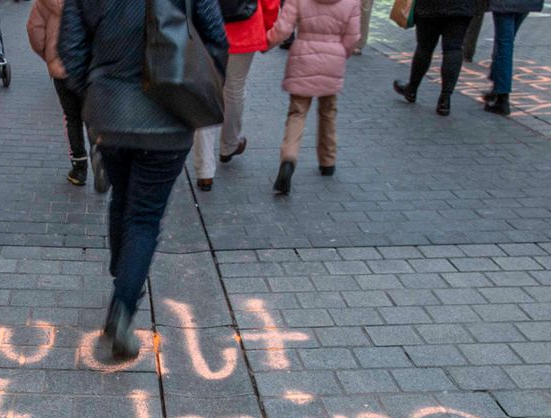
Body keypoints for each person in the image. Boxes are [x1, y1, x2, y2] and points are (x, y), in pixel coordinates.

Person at [59, 0, 228, 358]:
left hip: (110, 113)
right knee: (145, 216)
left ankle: (123, 274)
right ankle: (123, 305)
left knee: (121, 198)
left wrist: (92, 94)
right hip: (170, 114)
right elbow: (216, 38)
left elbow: (69, 47)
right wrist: (201, 86)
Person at [267, 0, 361, 194]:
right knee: (328, 112)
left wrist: (266, 42)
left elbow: (284, 29)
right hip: (333, 59)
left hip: (303, 57)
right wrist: (342, 54)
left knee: (297, 113)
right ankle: (328, 161)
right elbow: (353, 37)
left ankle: (288, 159)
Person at [191, 0, 279, 191]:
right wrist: (269, 30)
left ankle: (205, 169)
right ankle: (230, 144)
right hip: (245, 26)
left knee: (207, 92)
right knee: (235, 89)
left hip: (205, 27)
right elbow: (271, 3)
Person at [26, 0, 107, 190]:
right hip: (90, 67)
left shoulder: (43, 3)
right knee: (93, 114)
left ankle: (79, 168)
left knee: (71, 117)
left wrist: (48, 56)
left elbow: (34, 30)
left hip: (62, 68)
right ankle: (99, 152)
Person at [392, 0, 476, 116]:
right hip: (462, 6)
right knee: (453, 48)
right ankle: (445, 99)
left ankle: (412, 89)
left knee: (424, 47)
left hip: (430, 6)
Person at [483, 0, 542, 115]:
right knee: (505, 43)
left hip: (505, 3)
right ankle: (497, 86)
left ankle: (502, 97)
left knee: (504, 44)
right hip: (526, 3)